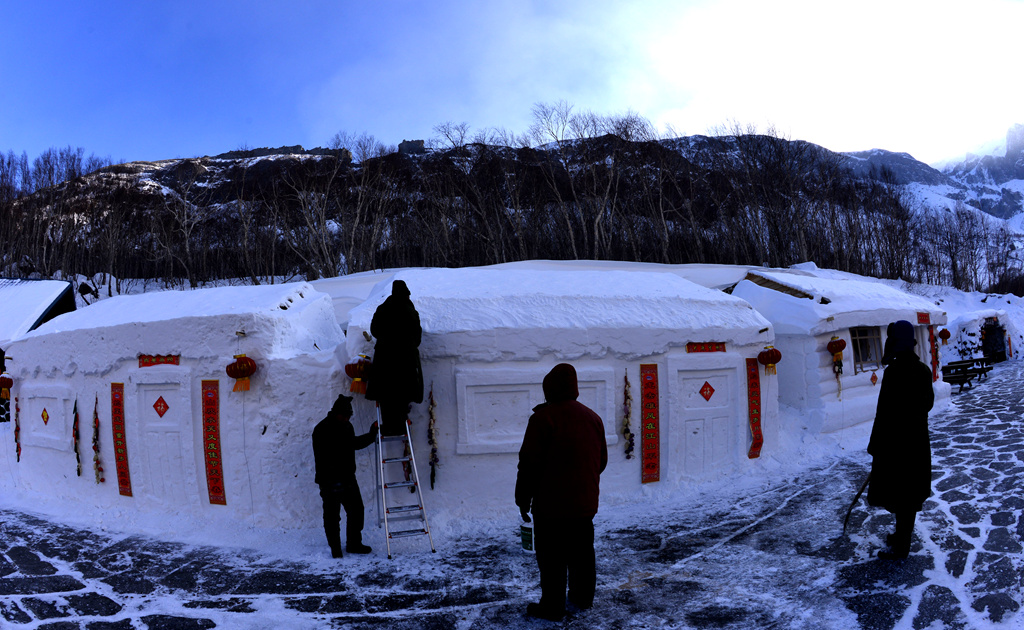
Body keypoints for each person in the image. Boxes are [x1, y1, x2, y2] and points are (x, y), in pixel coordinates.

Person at [515, 363, 608, 621]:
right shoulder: (593, 418)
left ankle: (552, 606)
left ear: (549, 389)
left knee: (552, 557)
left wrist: (522, 499)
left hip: (551, 507)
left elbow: (529, 464)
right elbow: (601, 461)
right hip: (584, 504)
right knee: (582, 553)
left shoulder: (542, 419)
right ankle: (582, 597)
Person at [867, 320, 934, 560]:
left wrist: (876, 444)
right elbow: (928, 404)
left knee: (900, 493)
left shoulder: (894, 372)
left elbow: (883, 412)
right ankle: (901, 536)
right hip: (915, 443)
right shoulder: (923, 370)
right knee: (908, 492)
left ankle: (902, 545)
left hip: (895, 444)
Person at [312, 394, 378, 558]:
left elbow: (353, 444)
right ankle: (335, 548)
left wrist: (371, 435)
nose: (348, 418)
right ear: (336, 413)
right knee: (332, 516)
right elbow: (326, 456)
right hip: (330, 480)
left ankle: (354, 544)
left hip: (347, 478)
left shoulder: (346, 426)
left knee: (356, 511)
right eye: (345, 415)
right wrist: (333, 478)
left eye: (350, 416)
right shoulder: (322, 429)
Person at [365, 280, 424, 436]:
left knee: (387, 394)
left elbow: (375, 331)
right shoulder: (411, 311)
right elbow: (417, 338)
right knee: (402, 393)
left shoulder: (383, 309)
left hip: (385, 360)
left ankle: (389, 426)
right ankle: (400, 425)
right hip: (406, 361)